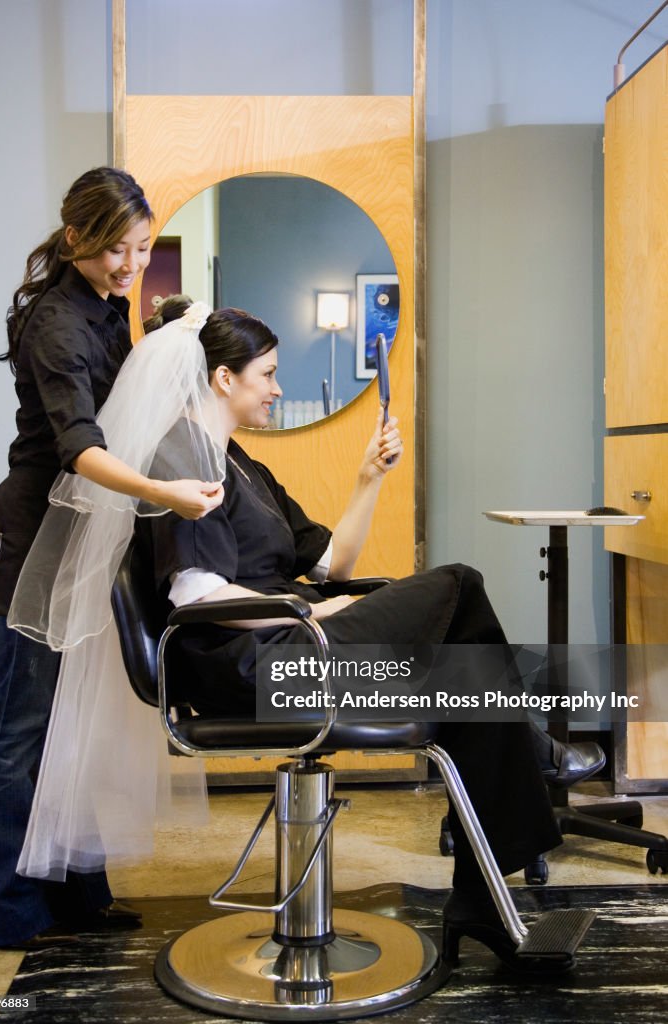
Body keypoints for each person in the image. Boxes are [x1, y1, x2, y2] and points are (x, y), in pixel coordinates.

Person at [140, 307, 601, 971]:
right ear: (222, 378)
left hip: (292, 648)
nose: (275, 388)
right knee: (459, 586)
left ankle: (479, 891)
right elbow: (197, 597)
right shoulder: (181, 457)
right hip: (256, 671)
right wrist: (311, 614)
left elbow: (331, 567)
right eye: (266, 375)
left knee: (466, 680)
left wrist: (368, 478)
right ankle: (532, 756)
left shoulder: (246, 468)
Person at [0, 168, 223, 950]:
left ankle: (80, 893)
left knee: (73, 720)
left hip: (84, 535)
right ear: (76, 236)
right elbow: (81, 448)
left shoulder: (111, 311)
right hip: (36, 538)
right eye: (117, 248)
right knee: (26, 727)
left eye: (143, 247)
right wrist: (163, 491)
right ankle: (6, 912)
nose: (131, 264)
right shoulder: (56, 324)